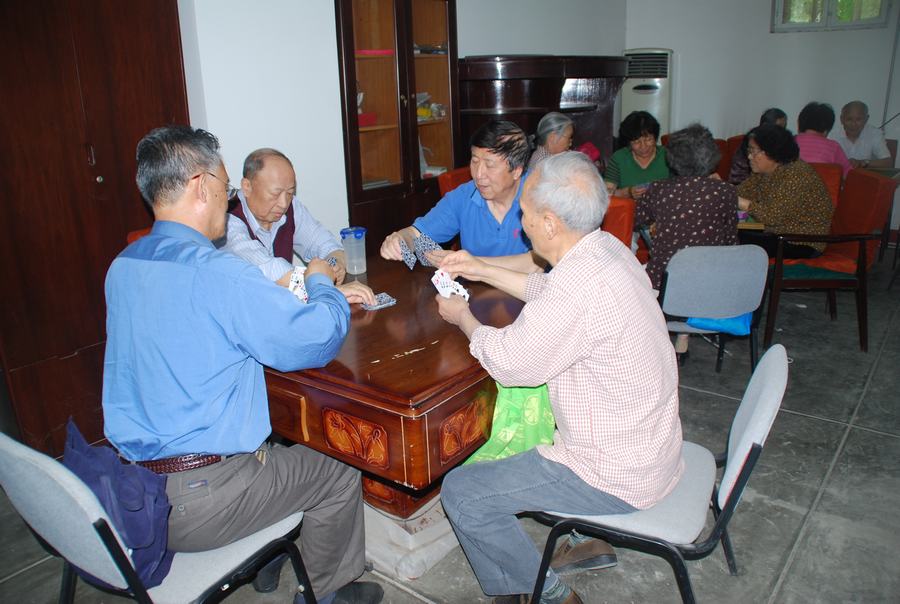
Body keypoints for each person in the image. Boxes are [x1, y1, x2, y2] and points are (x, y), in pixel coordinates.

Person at [103, 125, 382, 604]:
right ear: (200, 185)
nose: (228, 198)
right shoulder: (219, 273)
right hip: (199, 500)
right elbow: (314, 339)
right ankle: (328, 592)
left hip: (133, 493)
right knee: (338, 467)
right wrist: (321, 282)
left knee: (278, 442)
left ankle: (269, 555)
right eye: (227, 186)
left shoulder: (124, 266)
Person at [435, 152, 683, 604]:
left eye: (525, 214)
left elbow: (510, 363)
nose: (522, 224)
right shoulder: (607, 250)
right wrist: (480, 268)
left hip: (614, 473)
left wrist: (463, 317)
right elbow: (545, 290)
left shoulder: (577, 290)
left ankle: (550, 592)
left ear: (549, 223)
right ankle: (548, 565)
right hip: (652, 448)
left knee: (462, 492)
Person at [380, 119, 533, 260]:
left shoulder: (539, 195)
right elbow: (418, 235)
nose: (478, 174)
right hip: (473, 281)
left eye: (490, 165)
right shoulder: (464, 197)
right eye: (474, 161)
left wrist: (474, 265)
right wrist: (401, 239)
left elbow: (536, 265)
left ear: (516, 171)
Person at [222, 148, 349, 287]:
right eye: (275, 194)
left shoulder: (291, 207)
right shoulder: (226, 218)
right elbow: (270, 272)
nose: (283, 204)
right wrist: (322, 277)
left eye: (289, 193)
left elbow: (326, 244)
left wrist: (335, 264)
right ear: (247, 187)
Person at [636, 123, 738, 291]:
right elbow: (730, 240)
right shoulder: (727, 191)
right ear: (712, 156)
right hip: (711, 280)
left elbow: (636, 220)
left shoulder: (658, 189)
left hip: (664, 281)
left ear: (672, 157)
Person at [737, 124, 834, 258]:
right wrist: (720, 187)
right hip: (776, 234)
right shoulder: (764, 171)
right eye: (749, 150)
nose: (749, 156)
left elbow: (772, 216)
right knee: (727, 234)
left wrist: (739, 201)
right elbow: (742, 192)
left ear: (772, 151)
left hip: (801, 242)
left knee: (732, 239)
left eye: (754, 151)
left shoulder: (797, 174)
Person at [604, 110, 669, 199]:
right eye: (636, 142)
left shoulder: (668, 155)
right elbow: (606, 193)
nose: (643, 146)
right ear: (628, 143)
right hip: (630, 207)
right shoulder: (619, 158)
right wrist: (628, 192)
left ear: (655, 138)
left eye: (648, 139)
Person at [729, 107, 787, 185]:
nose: (783, 132)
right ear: (766, 126)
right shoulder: (751, 143)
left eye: (784, 127)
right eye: (779, 128)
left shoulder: (782, 143)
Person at [830, 100, 893, 169]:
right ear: (841, 119)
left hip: (865, 174)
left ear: (866, 119)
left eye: (858, 119)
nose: (853, 124)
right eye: (849, 119)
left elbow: (888, 162)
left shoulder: (875, 134)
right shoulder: (832, 135)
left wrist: (863, 162)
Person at [794, 102, 851, 177]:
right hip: (823, 184)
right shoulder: (833, 147)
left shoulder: (790, 141)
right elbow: (849, 174)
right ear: (826, 130)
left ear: (800, 123)